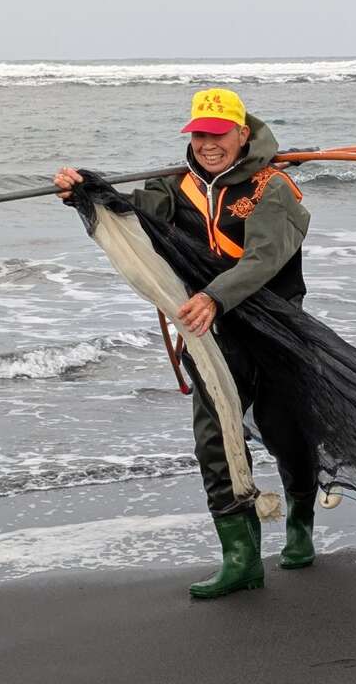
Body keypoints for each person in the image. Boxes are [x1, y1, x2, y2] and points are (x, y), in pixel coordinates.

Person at [54, 88, 317, 599]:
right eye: (199, 135)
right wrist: (84, 191)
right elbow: (133, 214)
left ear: (242, 133)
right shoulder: (174, 185)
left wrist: (215, 296)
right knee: (214, 438)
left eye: (218, 135)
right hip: (211, 334)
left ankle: (300, 526)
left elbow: (264, 259)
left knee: (285, 431)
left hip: (277, 329)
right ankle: (241, 559)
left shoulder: (273, 186)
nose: (207, 144)